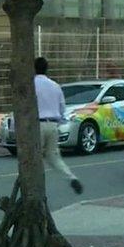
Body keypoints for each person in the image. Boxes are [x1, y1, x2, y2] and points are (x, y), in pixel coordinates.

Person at [34, 57, 83, 194]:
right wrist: (60, 121)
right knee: (54, 157)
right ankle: (71, 177)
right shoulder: (55, 86)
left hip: (37, 125)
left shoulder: (31, 84)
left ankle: (35, 190)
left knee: (33, 159)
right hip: (53, 124)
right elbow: (62, 107)